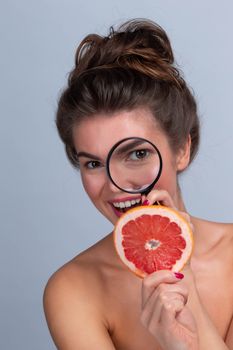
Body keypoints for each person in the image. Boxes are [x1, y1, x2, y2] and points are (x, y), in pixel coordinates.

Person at [43, 19, 233, 349]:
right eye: (93, 163)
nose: (116, 186)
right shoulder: (73, 289)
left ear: (182, 149)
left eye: (137, 153)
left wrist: (183, 282)